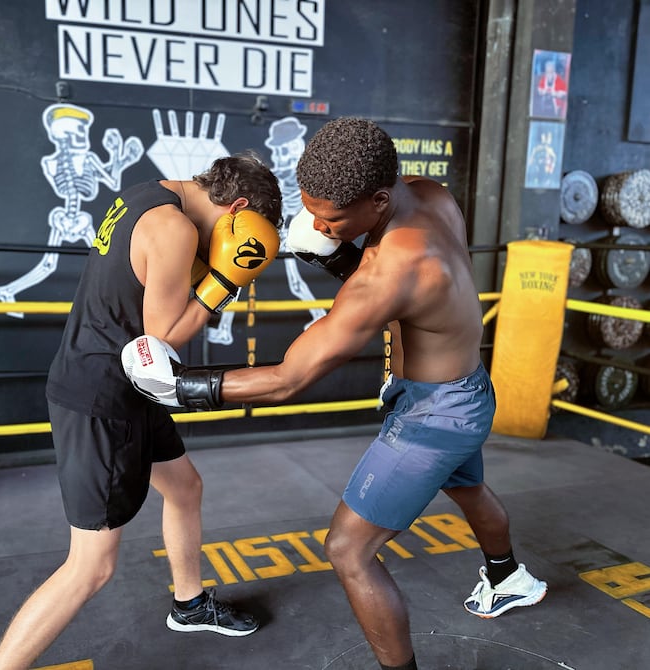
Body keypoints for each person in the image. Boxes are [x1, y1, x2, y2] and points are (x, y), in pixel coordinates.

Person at [122, 117, 547, 670]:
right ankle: (507, 574)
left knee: (348, 550)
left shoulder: (391, 270)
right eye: (312, 210)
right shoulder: (428, 195)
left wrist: (183, 388)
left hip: (434, 417)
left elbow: (289, 378)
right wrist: (336, 253)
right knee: (469, 489)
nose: (319, 224)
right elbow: (410, 297)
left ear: (376, 198)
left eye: (333, 218)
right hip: (465, 390)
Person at [0, 153, 283, 670]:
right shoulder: (174, 230)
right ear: (237, 208)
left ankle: (189, 606)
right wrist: (223, 282)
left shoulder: (148, 193)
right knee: (91, 567)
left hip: (128, 386)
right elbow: (159, 341)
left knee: (185, 488)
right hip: (105, 399)